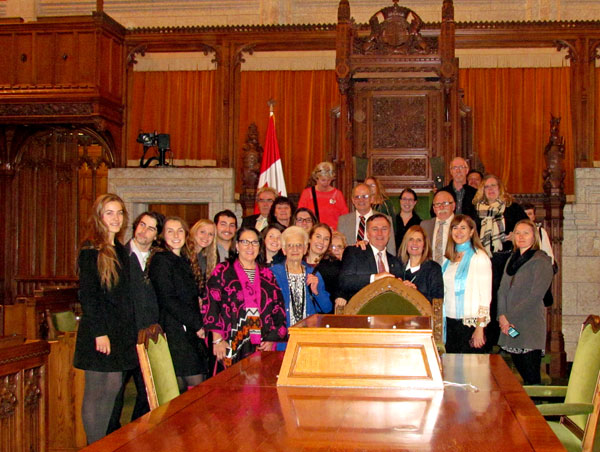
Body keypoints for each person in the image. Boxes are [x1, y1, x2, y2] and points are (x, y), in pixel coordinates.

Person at [74, 193, 137, 444]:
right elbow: (88, 295)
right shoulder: (92, 250)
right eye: (109, 212)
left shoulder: (121, 250)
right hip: (99, 332)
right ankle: (93, 445)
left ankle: (100, 443)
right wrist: (100, 333)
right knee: (96, 391)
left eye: (119, 212)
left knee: (113, 387)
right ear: (99, 216)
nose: (115, 217)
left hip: (119, 332)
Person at [108, 211, 164, 433]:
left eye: (151, 228)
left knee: (147, 393)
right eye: (142, 224)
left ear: (156, 235)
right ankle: (111, 438)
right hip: (123, 337)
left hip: (147, 337)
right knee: (116, 394)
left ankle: (137, 435)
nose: (144, 231)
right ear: (134, 226)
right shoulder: (118, 255)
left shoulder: (157, 259)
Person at [204, 226, 287, 368]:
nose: (250, 246)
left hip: (262, 343)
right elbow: (211, 304)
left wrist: (272, 339)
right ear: (236, 245)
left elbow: (278, 308)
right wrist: (217, 339)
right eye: (245, 242)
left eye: (255, 242)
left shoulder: (267, 274)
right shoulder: (223, 271)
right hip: (229, 342)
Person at [148, 217, 208, 393]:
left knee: (190, 382)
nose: (176, 235)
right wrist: (196, 324)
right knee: (192, 382)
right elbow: (168, 299)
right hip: (175, 330)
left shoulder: (182, 259)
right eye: (170, 231)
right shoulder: (161, 260)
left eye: (180, 230)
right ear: (162, 236)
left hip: (186, 328)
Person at [474, 174, 528, 350]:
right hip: (483, 262)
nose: (490, 189)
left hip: (505, 261)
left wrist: (515, 236)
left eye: (493, 186)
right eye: (486, 186)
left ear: (500, 188)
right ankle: (487, 340)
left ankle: (507, 340)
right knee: (486, 300)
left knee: (503, 299)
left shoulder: (512, 209)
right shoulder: (476, 210)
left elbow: (526, 230)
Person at [497, 219, 553, 385]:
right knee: (521, 373)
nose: (521, 237)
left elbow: (535, 296)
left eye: (526, 233)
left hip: (528, 326)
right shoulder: (512, 259)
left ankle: (537, 410)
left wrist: (508, 317)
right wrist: (501, 316)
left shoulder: (541, 260)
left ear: (534, 236)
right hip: (510, 327)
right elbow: (502, 290)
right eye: (518, 233)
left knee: (531, 378)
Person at [271, 226, 331, 350]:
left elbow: (327, 308)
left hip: (308, 339)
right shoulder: (273, 273)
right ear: (283, 249)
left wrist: (316, 292)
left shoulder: (313, 273)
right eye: (290, 245)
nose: (295, 249)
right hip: (282, 340)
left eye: (299, 245)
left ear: (305, 249)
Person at [442, 214, 492, 353]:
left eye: (463, 228)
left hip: (470, 323)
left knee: (471, 371)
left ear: (471, 232)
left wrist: (480, 328)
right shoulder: (448, 259)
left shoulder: (479, 257)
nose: (458, 232)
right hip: (451, 321)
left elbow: (485, 297)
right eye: (455, 228)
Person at [339, 214, 403, 300]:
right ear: (367, 234)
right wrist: (374, 278)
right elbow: (344, 281)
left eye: (384, 229)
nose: (380, 233)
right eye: (375, 229)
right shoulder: (354, 253)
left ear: (390, 233)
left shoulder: (396, 262)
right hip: (361, 310)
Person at [337, 183, 396, 255]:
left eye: (365, 196)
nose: (361, 200)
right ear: (353, 200)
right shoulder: (343, 220)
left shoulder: (385, 220)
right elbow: (339, 249)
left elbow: (391, 249)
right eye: (357, 197)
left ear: (372, 199)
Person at [305, 223, 345, 312]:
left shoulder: (334, 266)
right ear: (309, 238)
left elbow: (334, 301)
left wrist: (317, 292)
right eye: (318, 237)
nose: (321, 242)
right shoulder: (298, 261)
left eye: (326, 239)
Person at [398, 225, 443, 303]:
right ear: (406, 243)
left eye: (419, 240)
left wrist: (416, 293)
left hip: (424, 315)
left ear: (424, 245)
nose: (414, 243)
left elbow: (437, 301)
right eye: (411, 239)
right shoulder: (397, 265)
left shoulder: (434, 269)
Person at [297, 161, 348, 230]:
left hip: (334, 232)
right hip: (313, 231)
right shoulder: (307, 193)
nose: (326, 183)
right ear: (316, 178)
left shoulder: (337, 194)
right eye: (323, 180)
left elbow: (345, 216)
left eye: (329, 180)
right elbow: (300, 215)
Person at [421, 190, 456, 265]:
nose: (441, 207)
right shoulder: (425, 226)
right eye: (437, 204)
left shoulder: (462, 225)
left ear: (453, 206)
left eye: (445, 203)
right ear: (434, 208)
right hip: (431, 272)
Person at [439, 157, 478, 222]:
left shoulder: (475, 193)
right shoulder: (442, 193)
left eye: (461, 167)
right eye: (455, 168)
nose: (458, 171)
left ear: (467, 170)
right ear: (451, 171)